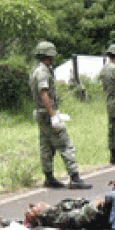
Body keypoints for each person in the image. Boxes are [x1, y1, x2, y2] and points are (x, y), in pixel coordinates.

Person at [29, 41, 91, 189]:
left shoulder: (36, 70)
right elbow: (44, 93)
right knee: (65, 144)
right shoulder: (43, 72)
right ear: (48, 56)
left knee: (46, 146)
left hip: (41, 114)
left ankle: (49, 178)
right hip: (47, 114)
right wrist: (53, 116)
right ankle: (74, 178)